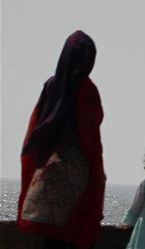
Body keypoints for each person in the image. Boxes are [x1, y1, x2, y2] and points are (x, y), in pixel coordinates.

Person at [17, 30, 106, 249]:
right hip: (78, 170)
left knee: (52, 238)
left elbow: (36, 128)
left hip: (48, 169)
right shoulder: (86, 90)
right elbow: (90, 135)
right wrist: (97, 173)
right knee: (73, 232)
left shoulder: (52, 85)